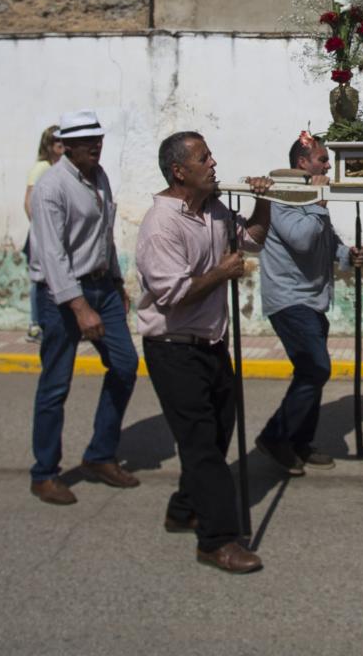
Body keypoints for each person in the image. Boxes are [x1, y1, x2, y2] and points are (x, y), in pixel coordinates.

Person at [135, 131, 272, 574]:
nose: (213, 163)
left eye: (211, 155)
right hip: (172, 348)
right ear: (179, 172)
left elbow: (250, 241)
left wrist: (262, 201)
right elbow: (172, 295)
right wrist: (221, 273)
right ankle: (217, 539)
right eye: (203, 158)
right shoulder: (161, 225)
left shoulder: (213, 209)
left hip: (210, 342)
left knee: (217, 433)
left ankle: (183, 509)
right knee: (202, 446)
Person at [25, 110, 142, 505]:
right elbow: (53, 256)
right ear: (67, 146)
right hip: (61, 296)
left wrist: (115, 279)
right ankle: (44, 473)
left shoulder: (99, 176)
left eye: (99, 138)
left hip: (101, 288)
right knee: (56, 385)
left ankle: (100, 455)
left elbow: (103, 234)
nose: (96, 145)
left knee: (125, 365)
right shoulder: (50, 187)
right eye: (87, 141)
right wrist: (79, 307)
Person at [254, 132, 363, 475]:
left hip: (313, 299)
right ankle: (275, 437)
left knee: (311, 373)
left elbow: (324, 241)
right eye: (322, 159)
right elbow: (303, 240)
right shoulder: (284, 195)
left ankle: (299, 442)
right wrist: (319, 206)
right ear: (302, 163)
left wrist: (348, 255)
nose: (328, 165)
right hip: (290, 300)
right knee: (316, 368)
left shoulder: (310, 196)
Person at [22, 125, 64, 342]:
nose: (63, 147)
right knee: (39, 280)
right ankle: (35, 324)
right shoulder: (42, 168)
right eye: (59, 144)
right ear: (49, 146)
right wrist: (41, 229)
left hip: (49, 234)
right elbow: (28, 202)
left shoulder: (59, 168)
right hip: (39, 235)